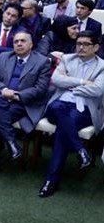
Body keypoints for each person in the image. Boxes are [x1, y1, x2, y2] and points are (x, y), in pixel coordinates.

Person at [39, 32, 104, 197]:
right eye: (78, 43)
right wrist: (82, 82)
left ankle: (51, 180)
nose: (81, 47)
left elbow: (98, 90)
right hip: (59, 103)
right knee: (59, 110)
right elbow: (56, 80)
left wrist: (70, 84)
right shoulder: (68, 59)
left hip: (84, 109)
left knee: (63, 129)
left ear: (96, 47)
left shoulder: (102, 66)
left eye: (86, 44)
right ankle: (80, 150)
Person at [0, 32, 51, 176]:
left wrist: (16, 96)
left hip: (21, 102)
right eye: (16, 41)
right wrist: (4, 90)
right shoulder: (5, 57)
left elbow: (40, 89)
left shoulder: (42, 62)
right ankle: (12, 143)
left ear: (31, 44)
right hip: (0, 97)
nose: (19, 44)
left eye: (23, 41)